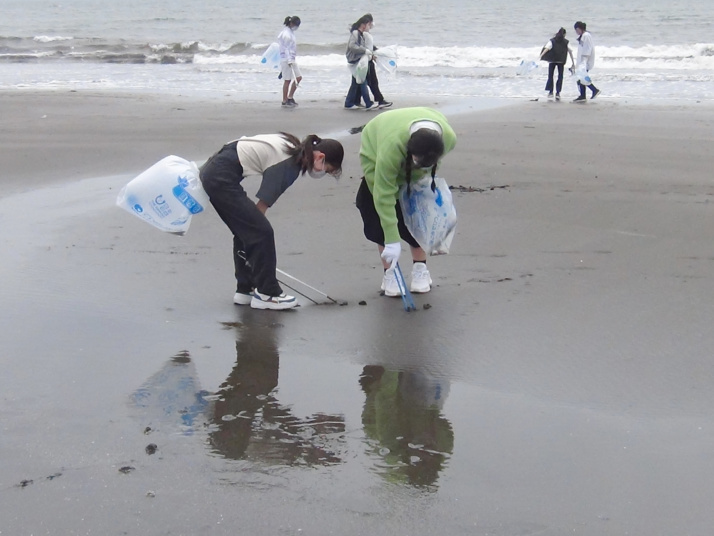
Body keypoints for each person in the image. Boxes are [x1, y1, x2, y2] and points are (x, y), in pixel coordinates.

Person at [200, 133, 344, 310]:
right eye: (327, 169)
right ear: (320, 157)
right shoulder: (290, 164)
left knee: (247, 231)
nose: (324, 173)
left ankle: (246, 289)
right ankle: (268, 293)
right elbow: (262, 206)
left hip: (214, 169)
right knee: (261, 232)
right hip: (220, 176)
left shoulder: (292, 147)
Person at [356, 107, 457, 296]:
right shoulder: (391, 147)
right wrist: (392, 242)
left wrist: (419, 180)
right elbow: (384, 195)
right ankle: (390, 272)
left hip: (418, 157)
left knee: (417, 214)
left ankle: (420, 269)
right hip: (376, 146)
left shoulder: (449, 139)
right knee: (379, 220)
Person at [357, 14, 393, 109]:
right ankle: (380, 100)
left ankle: (354, 101)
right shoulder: (362, 34)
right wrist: (371, 55)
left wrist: (379, 52)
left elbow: (370, 46)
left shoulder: (364, 33)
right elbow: (363, 47)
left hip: (366, 60)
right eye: (371, 23)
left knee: (362, 82)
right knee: (372, 81)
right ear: (367, 23)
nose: (372, 25)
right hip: (366, 61)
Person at [344, 16, 374, 110]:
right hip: (355, 59)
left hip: (358, 59)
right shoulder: (356, 33)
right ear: (363, 24)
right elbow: (352, 46)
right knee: (362, 81)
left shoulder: (361, 34)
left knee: (355, 82)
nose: (370, 26)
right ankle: (368, 103)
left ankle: (349, 103)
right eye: (368, 24)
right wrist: (365, 50)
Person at [540, 27, 575, 101]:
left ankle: (550, 92)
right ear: (564, 34)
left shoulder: (552, 41)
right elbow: (570, 51)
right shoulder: (566, 42)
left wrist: (541, 56)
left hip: (552, 60)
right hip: (561, 61)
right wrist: (573, 62)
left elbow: (547, 48)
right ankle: (558, 93)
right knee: (560, 77)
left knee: (550, 76)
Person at [572, 21, 601, 102]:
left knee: (582, 78)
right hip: (582, 61)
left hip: (585, 61)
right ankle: (584, 95)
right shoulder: (583, 36)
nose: (576, 32)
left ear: (579, 28)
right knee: (581, 78)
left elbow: (587, 49)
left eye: (576, 29)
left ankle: (593, 90)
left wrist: (584, 61)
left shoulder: (586, 35)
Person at [277, 16, 302, 107]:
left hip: (291, 59)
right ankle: (284, 100)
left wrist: (292, 59)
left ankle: (290, 97)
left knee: (298, 77)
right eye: (296, 25)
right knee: (287, 80)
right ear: (291, 23)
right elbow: (286, 49)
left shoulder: (290, 32)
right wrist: (289, 60)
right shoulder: (286, 34)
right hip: (286, 59)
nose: (297, 27)